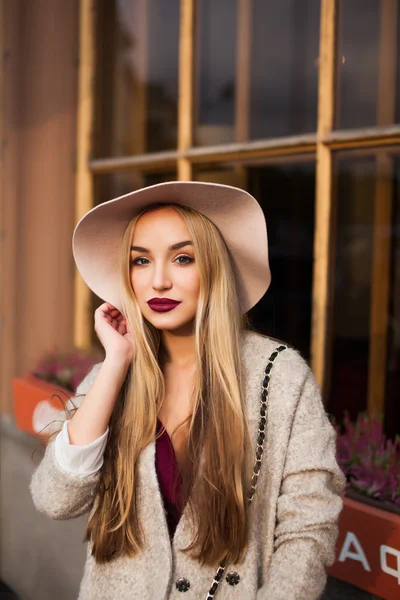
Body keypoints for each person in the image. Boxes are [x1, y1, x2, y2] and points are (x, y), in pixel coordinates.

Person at [30, 181, 345, 599]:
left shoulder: (279, 375)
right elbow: (55, 499)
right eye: (140, 261)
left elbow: (309, 526)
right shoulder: (115, 373)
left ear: (212, 266)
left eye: (182, 258)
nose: (158, 281)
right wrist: (115, 364)